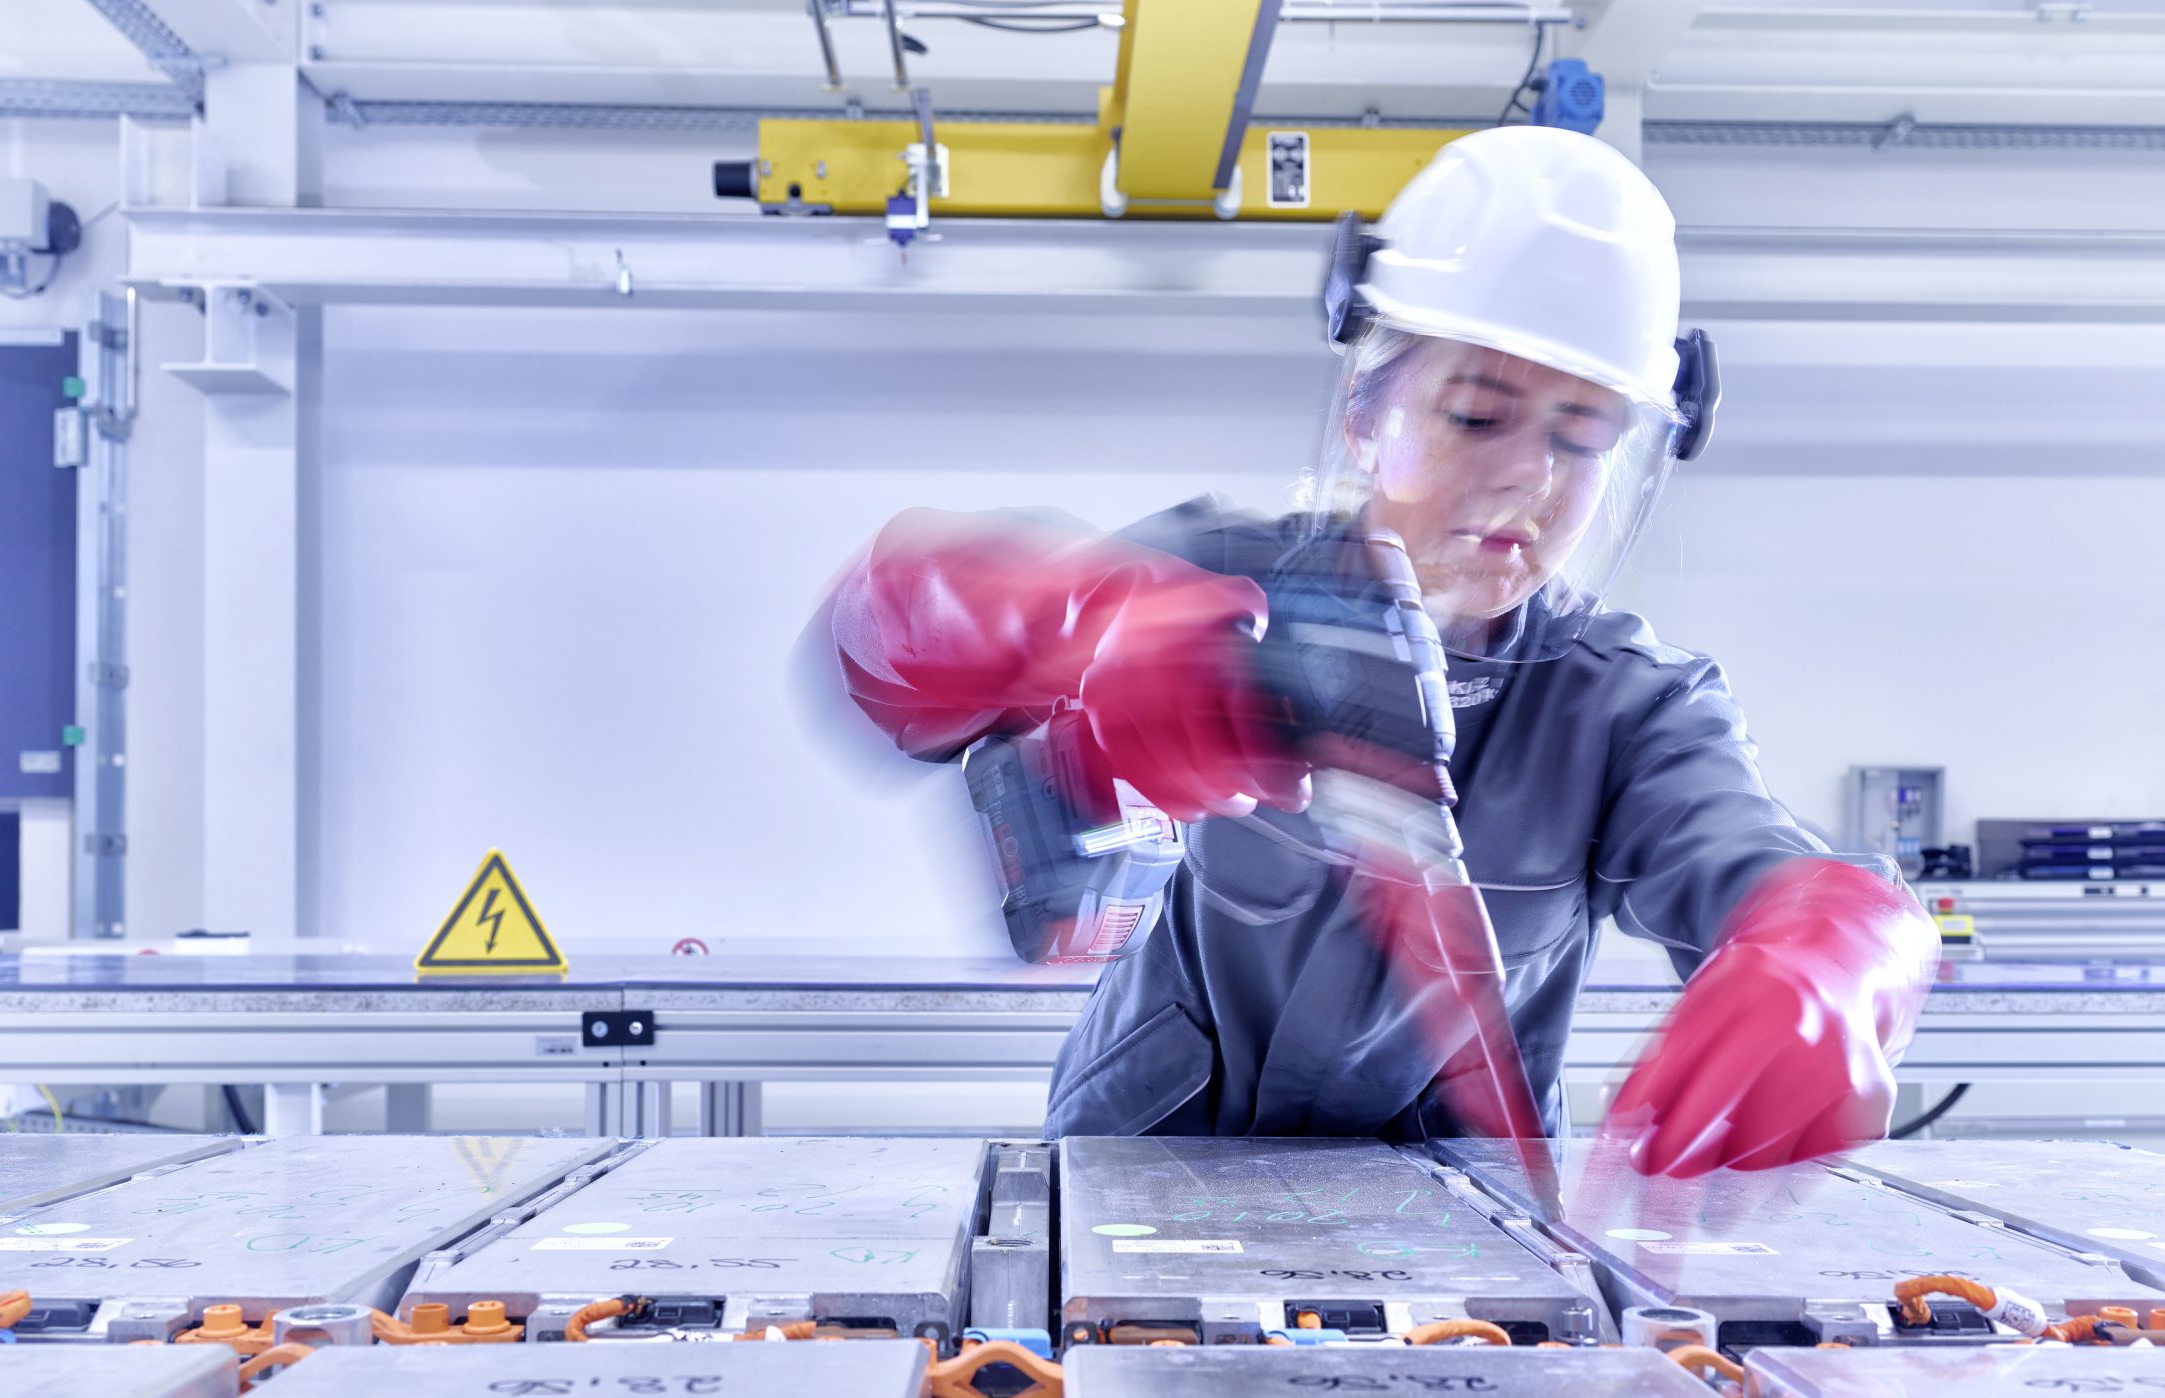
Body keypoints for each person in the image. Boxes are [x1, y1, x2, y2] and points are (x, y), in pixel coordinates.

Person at [821, 126, 1937, 1176]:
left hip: (1468, 1235)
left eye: (1581, 438)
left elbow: (1754, 861)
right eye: (1476, 415)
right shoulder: (1211, 581)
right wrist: (1047, 623)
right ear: (1367, 415)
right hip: (1149, 1174)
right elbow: (885, 658)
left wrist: (1842, 948)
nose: (1529, 481)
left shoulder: (1627, 707)